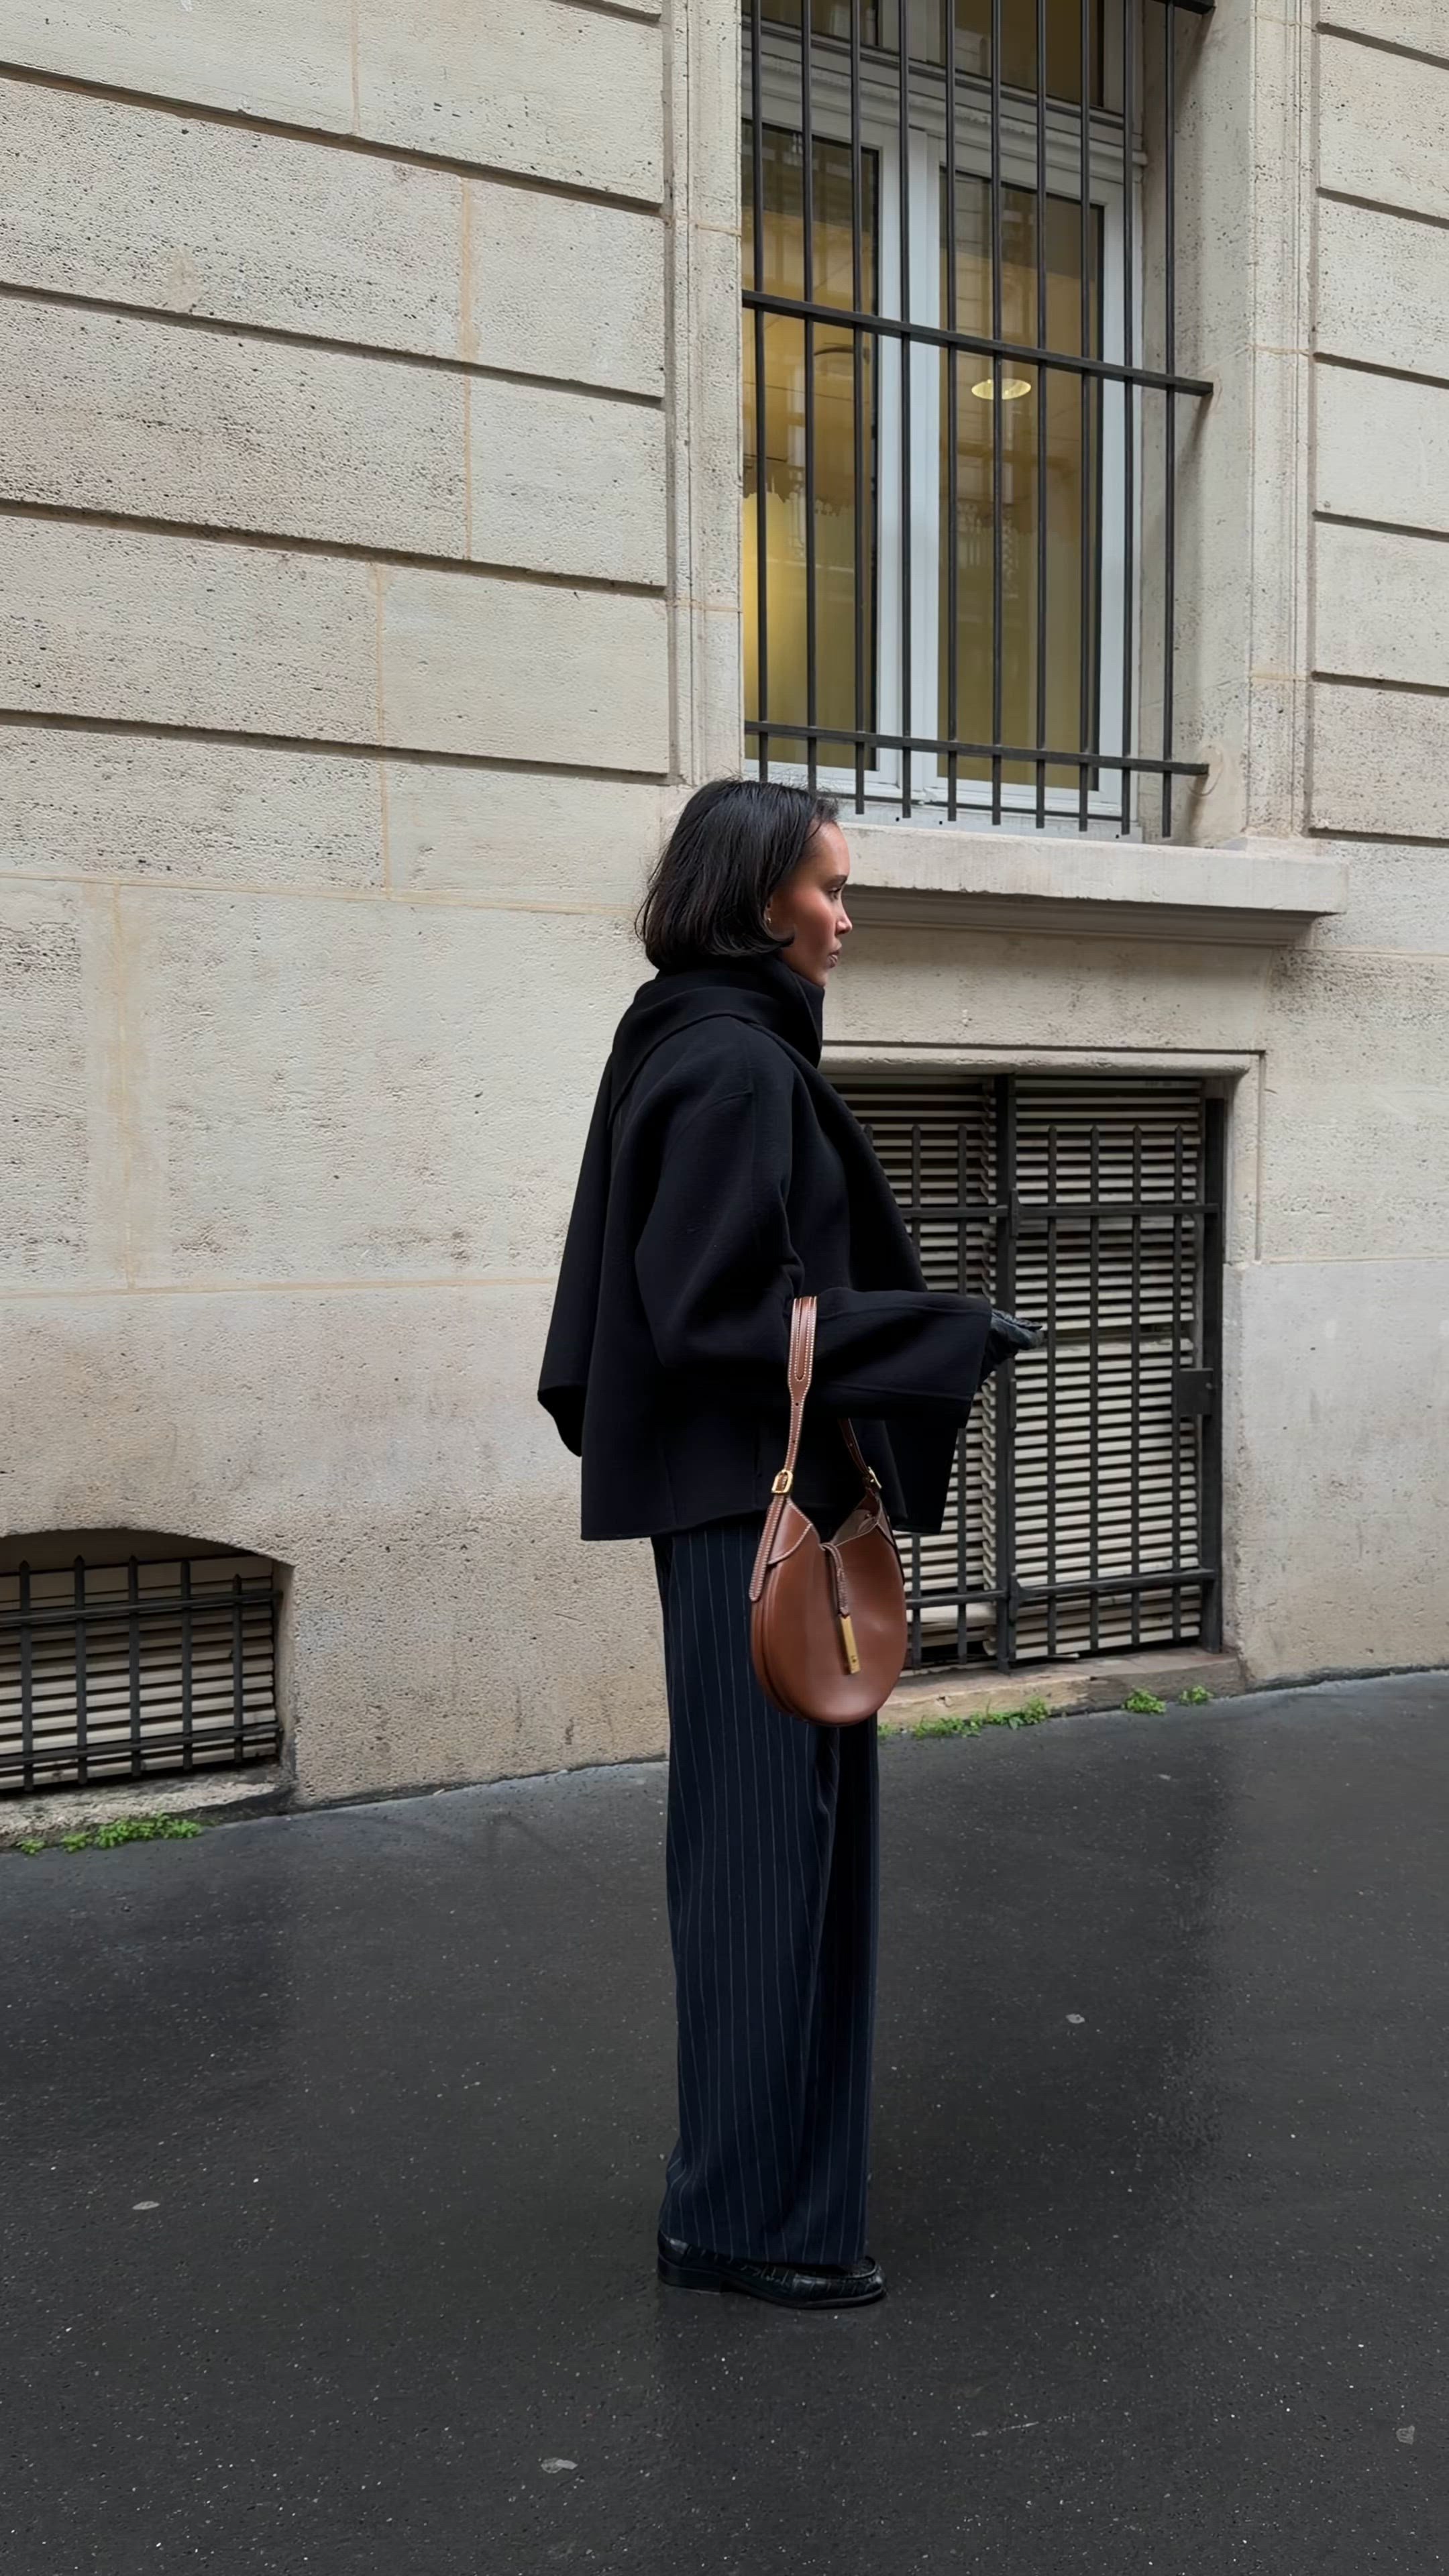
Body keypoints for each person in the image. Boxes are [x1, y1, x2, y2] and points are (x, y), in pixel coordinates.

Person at [539, 779, 1028, 2309]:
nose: (846, 915)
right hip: (755, 1510)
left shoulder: (704, 1043)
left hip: (751, 1503)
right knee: (769, 1865)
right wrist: (934, 1333)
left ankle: (753, 2199)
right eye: (827, 886)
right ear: (759, 898)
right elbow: (706, 1315)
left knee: (778, 1858)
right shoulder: (728, 1060)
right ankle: (742, 2221)